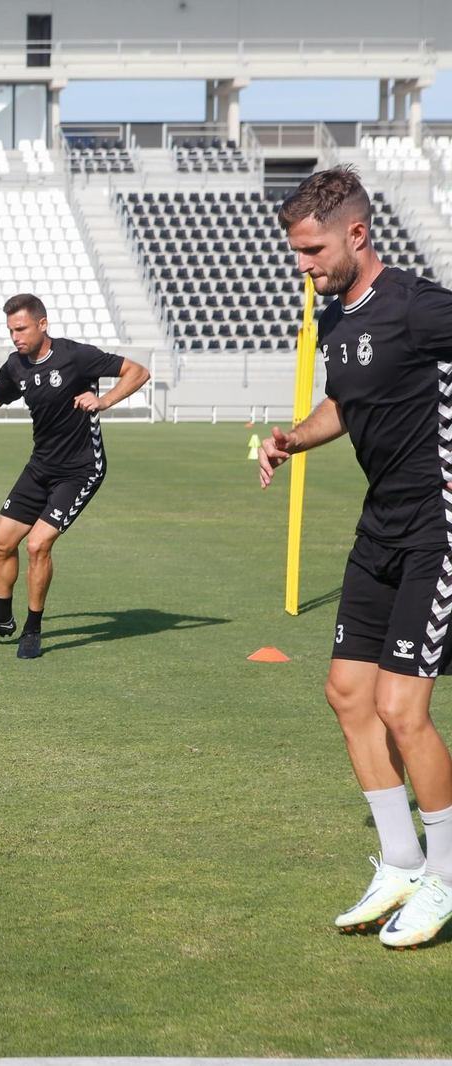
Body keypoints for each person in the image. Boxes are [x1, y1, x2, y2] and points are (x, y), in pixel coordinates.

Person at [261, 165, 452, 948]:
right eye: (297, 253)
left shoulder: (419, 306)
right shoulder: (337, 319)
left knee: (404, 709)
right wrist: (294, 438)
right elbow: (347, 401)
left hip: (439, 530)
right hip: (380, 527)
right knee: (347, 695)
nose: (302, 266)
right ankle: (401, 864)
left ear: (356, 234)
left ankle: (445, 876)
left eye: (311, 251)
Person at [0, 293, 150, 660]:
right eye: (10, 330)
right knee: (1, 542)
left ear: (42, 324)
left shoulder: (76, 356)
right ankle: (0, 619)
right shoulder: (16, 365)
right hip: (41, 466)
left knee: (37, 545)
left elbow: (138, 371)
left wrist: (105, 400)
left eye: (21, 329)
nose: (15, 336)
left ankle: (32, 629)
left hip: (81, 469)